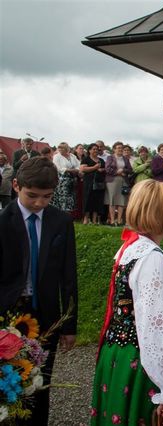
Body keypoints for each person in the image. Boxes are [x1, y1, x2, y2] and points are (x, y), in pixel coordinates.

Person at [91, 179, 163, 424]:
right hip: (141, 362)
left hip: (118, 353)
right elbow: (155, 327)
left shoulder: (130, 248)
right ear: (160, 214)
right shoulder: (152, 259)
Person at [0, 157, 77, 425]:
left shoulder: (61, 222)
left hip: (46, 313)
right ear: (16, 185)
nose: (39, 203)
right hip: (8, 313)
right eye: (32, 196)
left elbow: (69, 276)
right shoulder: (3, 221)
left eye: (47, 197)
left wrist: (69, 325)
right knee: (9, 380)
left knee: (41, 379)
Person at [105, 141, 133, 226]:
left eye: (121, 148)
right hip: (112, 181)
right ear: (114, 149)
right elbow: (107, 169)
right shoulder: (110, 157)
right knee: (112, 200)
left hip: (123, 180)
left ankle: (120, 220)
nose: (120, 149)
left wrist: (123, 170)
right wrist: (117, 172)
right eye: (118, 148)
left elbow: (130, 169)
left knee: (122, 200)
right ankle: (113, 220)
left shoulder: (125, 158)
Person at [80, 143, 106, 225]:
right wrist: (95, 168)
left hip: (99, 183)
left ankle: (94, 220)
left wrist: (102, 170)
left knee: (97, 201)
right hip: (88, 183)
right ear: (89, 150)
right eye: (93, 149)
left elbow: (104, 169)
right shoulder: (86, 159)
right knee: (88, 200)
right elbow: (82, 169)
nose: (95, 151)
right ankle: (86, 219)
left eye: (97, 149)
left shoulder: (101, 160)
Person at [51, 142, 81, 213]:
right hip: (62, 180)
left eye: (62, 148)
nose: (60, 150)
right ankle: (62, 212)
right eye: (59, 148)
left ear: (67, 149)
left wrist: (77, 169)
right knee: (63, 197)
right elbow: (58, 168)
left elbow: (79, 164)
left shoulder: (72, 156)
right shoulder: (57, 156)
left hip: (73, 179)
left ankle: (69, 213)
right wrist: (69, 170)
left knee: (72, 197)